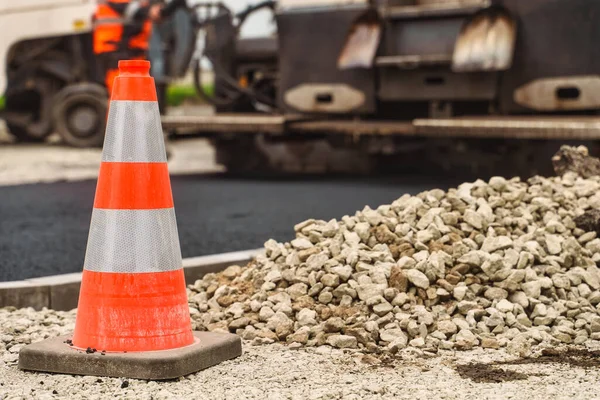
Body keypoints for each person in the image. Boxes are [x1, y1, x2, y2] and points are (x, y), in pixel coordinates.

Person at [93, 0, 162, 96]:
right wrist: (150, 11)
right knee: (122, 96)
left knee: (135, 96)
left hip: (129, 51)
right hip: (116, 50)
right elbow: (129, 9)